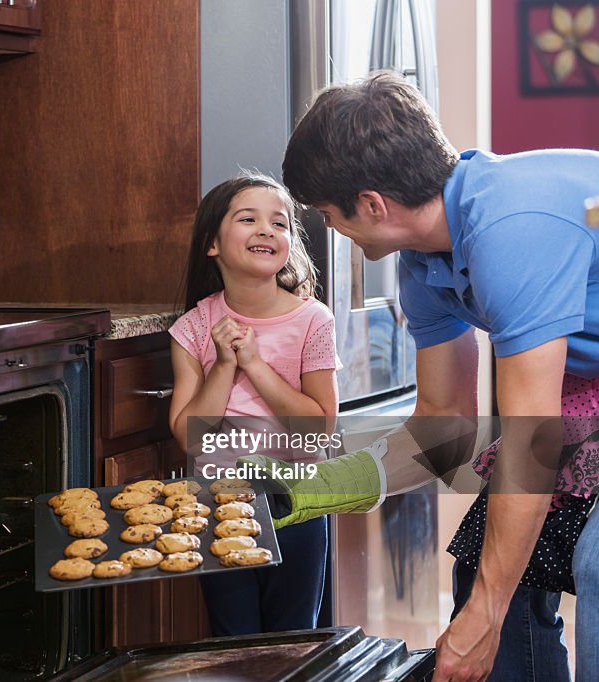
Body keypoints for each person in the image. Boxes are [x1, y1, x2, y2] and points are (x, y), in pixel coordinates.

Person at [263, 70, 599, 682]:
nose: (331, 231)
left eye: (329, 214)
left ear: (372, 204)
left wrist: (483, 619)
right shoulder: (425, 264)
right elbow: (443, 434)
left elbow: (533, 441)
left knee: (596, 560)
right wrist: (297, 493)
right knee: (489, 566)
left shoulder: (510, 227)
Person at [167, 171, 341, 635]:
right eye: (249, 219)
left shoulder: (312, 320)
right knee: (234, 638)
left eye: (280, 223)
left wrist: (257, 366)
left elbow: (319, 431)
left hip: (299, 501)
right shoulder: (194, 327)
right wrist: (223, 364)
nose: (267, 230)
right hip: (219, 504)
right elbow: (190, 437)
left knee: (293, 636)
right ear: (212, 244)